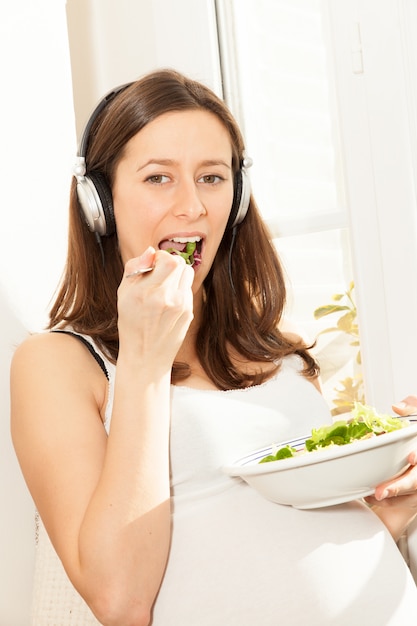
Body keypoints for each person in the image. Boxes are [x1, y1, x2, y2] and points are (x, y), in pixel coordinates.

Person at [9, 68, 417, 626]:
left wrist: (386, 511)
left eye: (212, 177)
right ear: (98, 202)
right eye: (158, 178)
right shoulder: (56, 363)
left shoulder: (279, 346)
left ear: (238, 194)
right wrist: (146, 360)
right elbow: (119, 600)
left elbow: (287, 532)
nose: (193, 206)